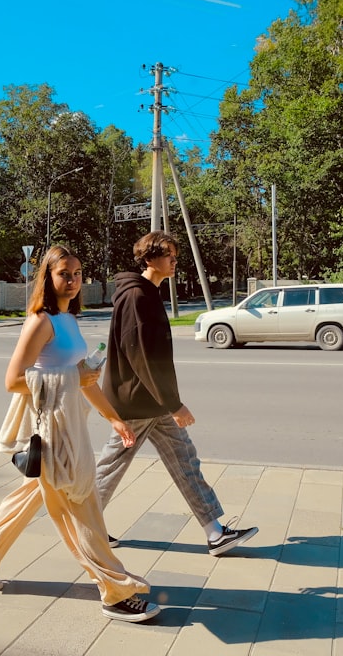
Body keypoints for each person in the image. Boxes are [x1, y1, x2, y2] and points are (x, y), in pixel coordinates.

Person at [0, 245, 159, 623]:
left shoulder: (70, 319)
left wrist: (114, 418)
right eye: (64, 273)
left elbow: (83, 379)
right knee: (81, 508)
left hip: (71, 424)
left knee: (33, 496)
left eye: (78, 273)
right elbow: (13, 380)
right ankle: (115, 591)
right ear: (48, 278)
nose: (72, 280)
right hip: (53, 433)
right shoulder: (41, 321)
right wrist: (71, 377)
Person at [95, 230, 258, 556]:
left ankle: (215, 533)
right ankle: (83, 526)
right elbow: (141, 356)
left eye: (175, 256)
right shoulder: (137, 297)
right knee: (111, 466)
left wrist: (168, 402)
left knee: (185, 461)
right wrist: (174, 403)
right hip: (138, 402)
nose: (174, 261)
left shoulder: (148, 293)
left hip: (150, 402)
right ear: (150, 258)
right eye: (169, 255)